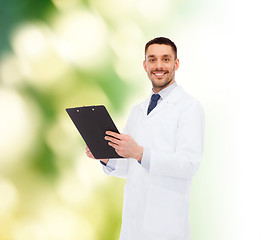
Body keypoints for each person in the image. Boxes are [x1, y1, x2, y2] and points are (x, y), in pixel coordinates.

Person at [86, 37, 205, 240]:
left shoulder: (189, 108)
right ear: (145, 65)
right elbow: (133, 167)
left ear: (176, 63)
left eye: (166, 59)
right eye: (152, 59)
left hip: (166, 228)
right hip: (133, 227)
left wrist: (140, 153)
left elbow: (188, 164)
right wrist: (106, 157)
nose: (159, 66)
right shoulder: (137, 111)